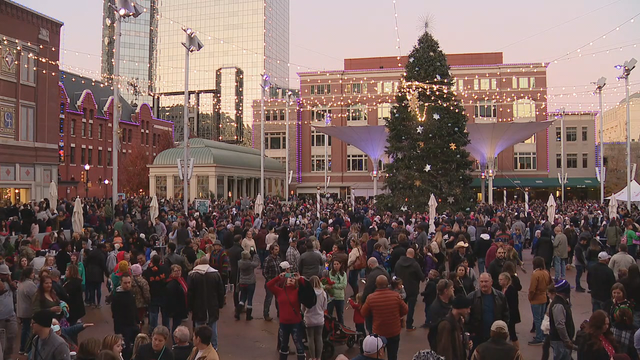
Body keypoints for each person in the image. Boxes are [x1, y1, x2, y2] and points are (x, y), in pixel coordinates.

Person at [360, 275, 408, 360]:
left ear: (376, 285)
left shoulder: (371, 298)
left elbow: (363, 312)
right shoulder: (396, 296)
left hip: (378, 332)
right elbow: (405, 310)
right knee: (393, 355)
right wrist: (397, 315)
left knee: (378, 355)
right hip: (394, 331)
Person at [266, 271, 306, 360]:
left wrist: (300, 279)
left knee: (299, 345)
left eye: (293, 278)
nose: (291, 279)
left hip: (296, 323)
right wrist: (279, 277)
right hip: (283, 324)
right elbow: (269, 285)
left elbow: (306, 289)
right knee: (283, 346)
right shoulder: (280, 291)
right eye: (289, 278)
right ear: (286, 280)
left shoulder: (297, 291)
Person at [187, 257, 225, 350]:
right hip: (212, 305)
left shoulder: (193, 275)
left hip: (198, 306)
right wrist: (220, 304)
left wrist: (190, 307)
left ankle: (199, 346)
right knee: (213, 327)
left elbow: (190, 293)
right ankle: (214, 346)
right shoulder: (216, 274)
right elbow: (221, 291)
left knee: (199, 328)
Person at [467, 272, 510, 347]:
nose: (484, 284)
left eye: (486, 281)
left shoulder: (500, 297)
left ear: (491, 282)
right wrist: (471, 333)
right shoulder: (471, 297)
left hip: (496, 336)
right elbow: (467, 317)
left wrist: (502, 330)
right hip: (478, 337)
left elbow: (505, 314)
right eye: (481, 281)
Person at [394, 247, 425, 331]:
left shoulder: (398, 263)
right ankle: (409, 325)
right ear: (413, 254)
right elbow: (422, 277)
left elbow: (395, 275)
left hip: (401, 288)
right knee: (411, 308)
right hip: (412, 288)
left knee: (400, 307)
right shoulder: (415, 264)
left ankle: (398, 322)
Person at [434, 295, 473, 360]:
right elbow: (444, 350)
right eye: (467, 308)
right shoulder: (446, 325)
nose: (469, 311)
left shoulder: (459, 322)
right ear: (460, 307)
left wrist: (465, 344)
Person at [111, 273, 139, 359]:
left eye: (129, 282)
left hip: (133, 325)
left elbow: (134, 309)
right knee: (125, 349)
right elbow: (115, 315)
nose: (127, 285)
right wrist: (119, 331)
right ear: (121, 283)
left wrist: (137, 321)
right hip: (123, 328)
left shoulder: (131, 294)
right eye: (125, 283)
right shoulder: (117, 297)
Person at [361, 257, 391, 333]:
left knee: (370, 323)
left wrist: (362, 301)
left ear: (370, 265)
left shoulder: (372, 275)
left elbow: (368, 289)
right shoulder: (385, 271)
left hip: (375, 301)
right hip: (386, 300)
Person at [549, 280, 576, 360]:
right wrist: (566, 340)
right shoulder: (558, 304)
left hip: (561, 341)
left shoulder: (562, 302)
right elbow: (560, 325)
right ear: (565, 291)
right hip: (560, 341)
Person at [143, 254, 170, 333]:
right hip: (164, 294)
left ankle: (153, 330)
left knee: (153, 314)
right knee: (165, 314)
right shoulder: (165, 269)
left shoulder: (147, 272)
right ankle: (166, 329)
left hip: (153, 295)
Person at [303, 276, 328, 360]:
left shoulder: (307, 293)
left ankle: (313, 357)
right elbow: (325, 307)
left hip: (309, 318)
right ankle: (319, 357)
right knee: (319, 337)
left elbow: (303, 308)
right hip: (319, 318)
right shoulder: (323, 293)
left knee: (310, 338)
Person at [17, 266, 37, 355]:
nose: (34, 274)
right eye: (32, 273)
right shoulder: (30, 284)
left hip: (21, 310)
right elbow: (36, 296)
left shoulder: (21, 283)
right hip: (28, 310)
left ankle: (22, 348)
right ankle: (26, 349)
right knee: (28, 330)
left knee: (25, 329)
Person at [499, 272, 521, 350]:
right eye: (499, 279)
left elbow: (513, 304)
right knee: (508, 332)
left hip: (511, 315)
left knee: (512, 333)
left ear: (506, 280)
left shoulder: (511, 289)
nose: (499, 281)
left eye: (501, 279)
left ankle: (517, 350)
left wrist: (509, 315)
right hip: (506, 314)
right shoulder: (504, 289)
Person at [0, 263, 18, 359]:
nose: (6, 276)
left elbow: (15, 289)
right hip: (0, 319)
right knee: (1, 343)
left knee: (12, 338)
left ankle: (7, 357)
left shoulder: (9, 283)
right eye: (4, 274)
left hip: (11, 316)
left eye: (8, 274)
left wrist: (11, 282)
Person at [236, 249, 260, 321]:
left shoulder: (240, 263)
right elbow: (256, 263)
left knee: (242, 298)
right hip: (250, 282)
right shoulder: (250, 264)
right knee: (250, 299)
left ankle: (237, 312)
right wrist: (255, 255)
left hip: (242, 282)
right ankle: (248, 316)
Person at [165, 264, 188, 334]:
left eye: (179, 270)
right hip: (177, 309)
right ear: (171, 272)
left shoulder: (181, 280)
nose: (178, 272)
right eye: (176, 271)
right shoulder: (172, 283)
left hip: (181, 307)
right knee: (176, 325)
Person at [85, 243, 108, 308]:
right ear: (102, 248)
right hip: (98, 273)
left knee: (91, 289)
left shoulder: (91, 253)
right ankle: (98, 303)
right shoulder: (101, 255)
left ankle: (92, 302)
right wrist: (107, 273)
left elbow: (86, 262)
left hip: (90, 272)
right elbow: (103, 265)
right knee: (98, 289)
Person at [262, 243, 281, 321]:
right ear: (271, 250)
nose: (277, 251)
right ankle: (266, 314)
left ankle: (280, 313)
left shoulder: (279, 259)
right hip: (270, 282)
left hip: (278, 282)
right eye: (275, 250)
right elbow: (264, 272)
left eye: (278, 249)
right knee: (268, 299)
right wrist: (269, 280)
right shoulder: (268, 259)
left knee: (278, 299)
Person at [327, 259, 347, 324]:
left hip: (340, 297)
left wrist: (333, 286)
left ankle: (342, 330)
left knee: (340, 315)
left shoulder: (344, 274)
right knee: (329, 314)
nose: (336, 266)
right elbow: (327, 284)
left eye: (337, 264)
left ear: (340, 265)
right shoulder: (329, 273)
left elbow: (343, 285)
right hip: (331, 297)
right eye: (334, 264)